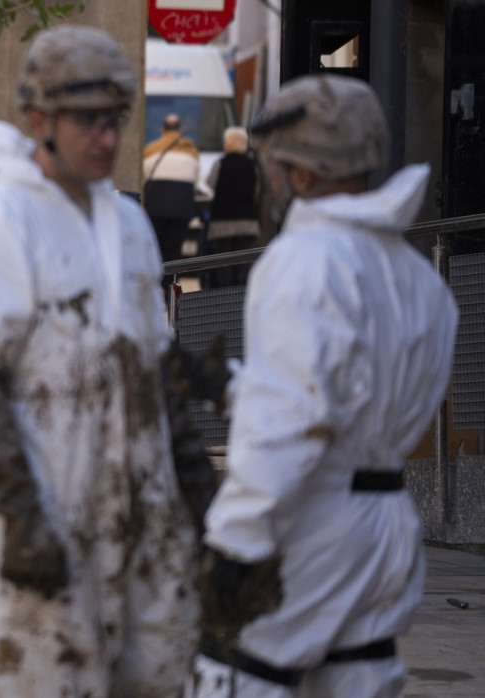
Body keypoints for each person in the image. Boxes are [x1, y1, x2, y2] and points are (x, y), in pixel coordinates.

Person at [0, 26, 198, 695]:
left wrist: (192, 491)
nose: (106, 137)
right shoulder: (1, 222)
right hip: (47, 509)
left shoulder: (127, 224)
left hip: (140, 511)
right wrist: (21, 516)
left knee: (157, 677)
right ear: (40, 119)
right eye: (87, 120)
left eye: (115, 120)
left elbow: (154, 362)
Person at [192, 74, 458, 698]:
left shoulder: (302, 260)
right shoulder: (420, 278)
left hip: (310, 521)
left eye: (273, 166)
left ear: (302, 174)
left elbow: (289, 429)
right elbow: (353, 403)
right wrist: (233, 386)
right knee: (355, 680)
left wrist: (234, 546)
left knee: (236, 679)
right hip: (386, 525)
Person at [203, 126, 261, 288]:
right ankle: (240, 301)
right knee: (243, 264)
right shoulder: (253, 165)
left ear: (229, 144)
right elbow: (257, 192)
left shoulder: (220, 163)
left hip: (222, 222)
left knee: (223, 265)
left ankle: (224, 302)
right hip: (247, 222)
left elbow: (209, 185)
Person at [143, 112, 200, 269]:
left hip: (155, 207)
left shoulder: (150, 150)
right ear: (180, 130)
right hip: (181, 209)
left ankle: (158, 287)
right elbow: (195, 183)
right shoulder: (191, 152)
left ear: (162, 130)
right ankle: (171, 287)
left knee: (157, 250)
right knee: (174, 253)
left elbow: (144, 178)